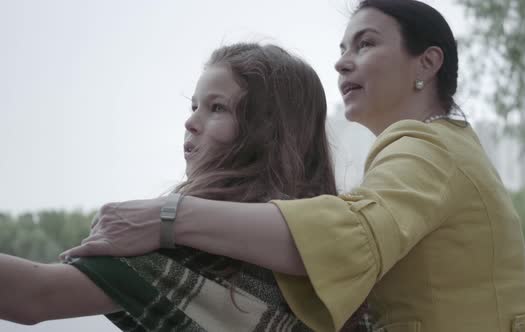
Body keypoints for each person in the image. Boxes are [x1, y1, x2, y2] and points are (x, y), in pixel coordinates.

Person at [61, 1, 525, 331]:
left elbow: (350, 236)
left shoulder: (428, 148)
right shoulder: (447, 147)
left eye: (366, 44)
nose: (341, 63)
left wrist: (166, 217)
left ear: (426, 64)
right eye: (340, 50)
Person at [0, 42, 369, 331]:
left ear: (267, 130)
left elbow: (34, 296)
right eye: (194, 106)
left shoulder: (203, 241)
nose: (191, 122)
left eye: (217, 108)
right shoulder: (321, 248)